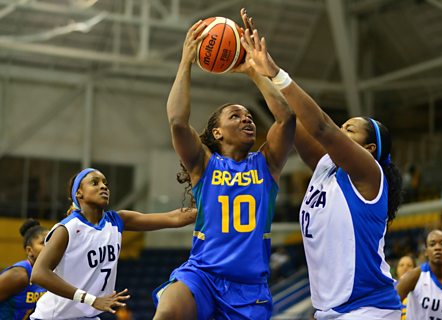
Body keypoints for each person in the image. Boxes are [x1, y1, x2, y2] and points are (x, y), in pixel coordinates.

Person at [240, 10, 403, 319]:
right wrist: (253, 72)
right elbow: (289, 119)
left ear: (369, 149)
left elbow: (321, 128)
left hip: (370, 310)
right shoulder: (327, 168)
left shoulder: (370, 174)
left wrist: (276, 72)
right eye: (342, 127)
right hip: (330, 311)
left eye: (349, 130)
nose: (341, 132)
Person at [152, 12, 296, 320]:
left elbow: (286, 117)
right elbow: (177, 121)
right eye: (235, 115)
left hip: (249, 288)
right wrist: (186, 62)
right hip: (201, 274)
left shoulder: (267, 164)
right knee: (169, 309)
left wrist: (254, 72)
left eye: (248, 115)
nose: (246, 118)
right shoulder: (202, 164)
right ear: (217, 132)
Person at [30, 167, 196, 320]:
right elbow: (39, 273)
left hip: (88, 316)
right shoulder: (67, 229)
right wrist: (90, 299)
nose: (103, 186)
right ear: (79, 193)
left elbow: (173, 218)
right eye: (95, 183)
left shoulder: (117, 221)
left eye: (105, 183)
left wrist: (210, 207)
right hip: (53, 317)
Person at [0, 219, 48, 319]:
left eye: (52, 241)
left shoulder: (53, 273)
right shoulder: (18, 275)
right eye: (44, 242)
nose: (50, 246)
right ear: (29, 250)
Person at [395, 255, 416, 320]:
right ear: (396, 269)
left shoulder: (420, 289)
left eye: (409, 265)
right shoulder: (389, 289)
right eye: (401, 265)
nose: (405, 268)